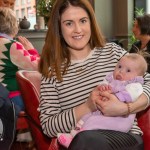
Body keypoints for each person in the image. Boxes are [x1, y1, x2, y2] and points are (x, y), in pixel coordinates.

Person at [38, 0, 150, 150]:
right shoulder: (52, 72)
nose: (78, 29)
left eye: (83, 21)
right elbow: (48, 126)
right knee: (86, 139)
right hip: (83, 139)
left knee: (87, 140)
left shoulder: (113, 53)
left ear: (90, 22)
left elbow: (147, 81)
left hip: (125, 138)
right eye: (69, 23)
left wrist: (126, 108)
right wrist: (88, 106)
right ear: (58, 27)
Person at [57, 53, 147, 148]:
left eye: (128, 70)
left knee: (88, 134)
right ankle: (74, 134)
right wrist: (100, 91)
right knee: (87, 118)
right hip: (100, 117)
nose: (121, 71)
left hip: (121, 123)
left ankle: (78, 136)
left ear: (138, 76)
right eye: (119, 66)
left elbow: (133, 93)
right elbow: (103, 84)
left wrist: (124, 106)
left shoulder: (133, 84)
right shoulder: (111, 79)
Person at [0, 7, 40, 114]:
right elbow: (37, 67)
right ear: (13, 24)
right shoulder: (11, 45)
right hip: (9, 100)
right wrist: (31, 50)